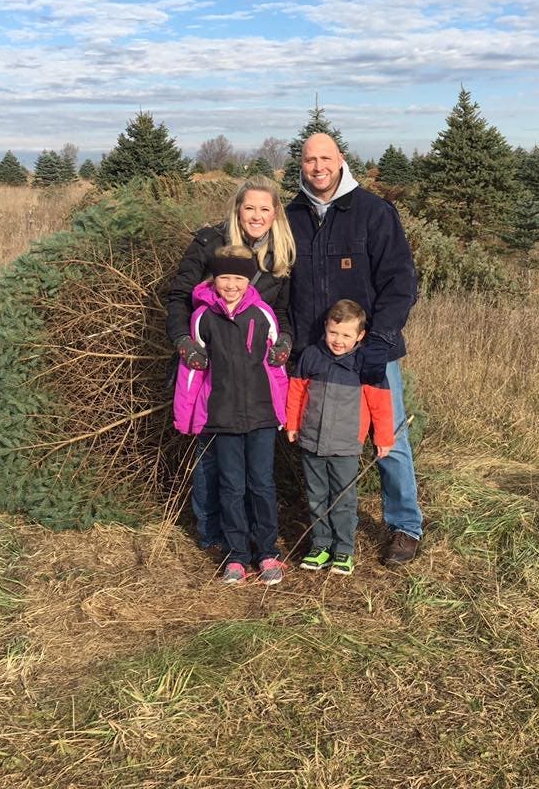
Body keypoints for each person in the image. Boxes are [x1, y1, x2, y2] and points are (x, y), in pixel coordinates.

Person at [285, 132, 423, 566]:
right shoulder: (289, 217)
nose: (318, 167)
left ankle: (404, 525)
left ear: (341, 160)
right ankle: (323, 528)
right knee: (315, 438)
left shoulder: (373, 212)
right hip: (315, 355)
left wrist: (378, 343)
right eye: (310, 160)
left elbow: (400, 283)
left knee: (389, 437)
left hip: (371, 352)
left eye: (325, 158)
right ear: (301, 164)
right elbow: (280, 285)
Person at [166, 176, 295, 556]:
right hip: (210, 371)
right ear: (237, 209)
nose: (256, 215)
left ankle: (258, 540)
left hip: (254, 382)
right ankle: (213, 535)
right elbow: (179, 296)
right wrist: (183, 341)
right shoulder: (211, 241)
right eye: (249, 207)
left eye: (265, 209)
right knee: (211, 463)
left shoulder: (280, 256)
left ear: (275, 215)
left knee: (256, 473)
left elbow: (284, 313)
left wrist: (286, 340)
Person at [173, 245, 288, 585]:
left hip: (261, 416)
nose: (231, 285)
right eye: (224, 277)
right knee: (231, 486)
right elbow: (191, 374)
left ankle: (268, 552)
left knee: (262, 484)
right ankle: (237, 556)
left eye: (238, 277)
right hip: (221, 418)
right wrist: (186, 416)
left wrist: (281, 411)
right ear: (214, 278)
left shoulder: (262, 313)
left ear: (248, 279)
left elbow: (276, 370)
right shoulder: (202, 317)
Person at [285, 299, 394, 575]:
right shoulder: (311, 356)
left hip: (346, 445)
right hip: (311, 440)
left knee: (343, 499)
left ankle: (344, 550)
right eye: (334, 332)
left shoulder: (364, 364)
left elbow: (380, 403)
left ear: (360, 336)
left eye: (346, 335)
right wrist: (292, 423)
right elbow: (296, 392)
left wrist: (383, 437)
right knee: (316, 495)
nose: (338, 340)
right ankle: (320, 545)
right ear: (325, 327)